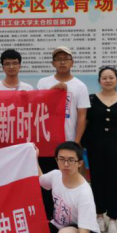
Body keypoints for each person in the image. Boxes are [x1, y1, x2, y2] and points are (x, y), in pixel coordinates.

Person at [36, 47, 90, 219]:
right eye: (58, 59)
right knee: (47, 181)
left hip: (68, 141)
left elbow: (82, 117)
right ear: (53, 63)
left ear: (72, 62)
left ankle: (68, 216)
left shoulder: (80, 86)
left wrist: (76, 141)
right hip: (47, 142)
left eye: (66, 58)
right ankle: (47, 217)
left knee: (67, 180)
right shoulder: (43, 82)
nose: (62, 62)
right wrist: (52, 93)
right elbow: (39, 107)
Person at [82, 66, 117, 233]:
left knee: (115, 182)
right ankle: (99, 216)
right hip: (95, 147)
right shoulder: (90, 99)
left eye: (111, 77)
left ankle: (113, 219)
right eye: (104, 78)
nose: (108, 80)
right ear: (99, 81)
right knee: (97, 180)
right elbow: (84, 123)